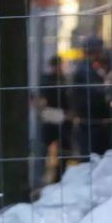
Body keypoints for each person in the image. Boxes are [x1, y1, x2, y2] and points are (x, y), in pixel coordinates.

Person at [71, 35, 112, 155]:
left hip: (92, 124)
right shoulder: (85, 70)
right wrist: (108, 89)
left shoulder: (88, 68)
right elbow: (95, 94)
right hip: (91, 126)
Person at [37, 55, 72, 184]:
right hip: (53, 119)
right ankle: (47, 177)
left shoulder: (62, 80)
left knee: (64, 151)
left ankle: (59, 177)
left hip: (61, 120)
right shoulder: (49, 81)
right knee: (46, 149)